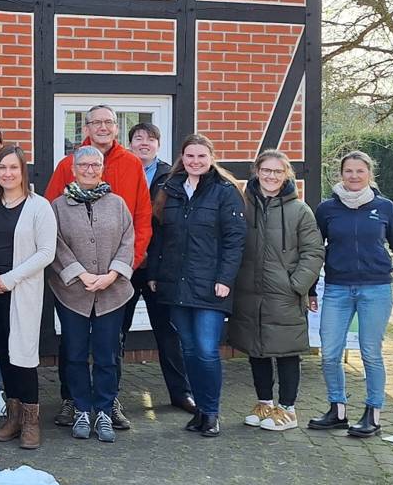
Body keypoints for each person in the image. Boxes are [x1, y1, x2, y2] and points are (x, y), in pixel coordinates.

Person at [308, 150, 393, 438]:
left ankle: (373, 414)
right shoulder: (326, 209)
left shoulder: (384, 207)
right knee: (329, 354)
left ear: (369, 175)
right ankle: (337, 410)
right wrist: (311, 289)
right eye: (348, 171)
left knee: (370, 352)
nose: (353, 176)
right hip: (337, 289)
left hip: (375, 289)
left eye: (359, 171)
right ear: (341, 175)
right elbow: (314, 252)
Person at [44, 105, 151, 429]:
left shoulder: (132, 164)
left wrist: (122, 270)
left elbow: (141, 221)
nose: (103, 127)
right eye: (96, 122)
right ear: (86, 127)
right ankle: (73, 401)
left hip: (117, 280)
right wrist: (78, 274)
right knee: (73, 348)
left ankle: (108, 403)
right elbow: (51, 226)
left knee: (111, 346)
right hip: (74, 285)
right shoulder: (65, 165)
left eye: (109, 122)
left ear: (116, 127)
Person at [154, 134, 246, 438]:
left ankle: (211, 412)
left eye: (201, 157)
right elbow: (159, 236)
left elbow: (235, 240)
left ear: (211, 158)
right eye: (190, 156)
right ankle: (201, 412)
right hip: (175, 283)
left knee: (207, 350)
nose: (195, 162)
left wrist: (225, 278)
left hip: (210, 286)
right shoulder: (169, 189)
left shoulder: (225, 191)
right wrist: (155, 273)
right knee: (189, 349)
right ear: (183, 157)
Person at [227, 149, 323, 432]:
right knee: (256, 349)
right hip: (249, 292)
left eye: (277, 171)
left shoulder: (299, 210)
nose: (271, 176)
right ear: (257, 172)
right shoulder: (242, 204)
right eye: (266, 170)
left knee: (286, 351)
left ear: (286, 175)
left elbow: (314, 251)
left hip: (284, 293)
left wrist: (296, 284)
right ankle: (264, 403)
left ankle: (288, 409)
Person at [50, 145, 136, 444]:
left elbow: (128, 240)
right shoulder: (58, 207)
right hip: (73, 292)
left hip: (113, 293)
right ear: (73, 169)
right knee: (74, 353)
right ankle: (82, 409)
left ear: (102, 169)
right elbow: (56, 245)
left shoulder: (118, 204)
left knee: (107, 355)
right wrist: (81, 274)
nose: (89, 170)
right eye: (83, 165)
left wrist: (112, 274)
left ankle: (103, 409)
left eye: (95, 165)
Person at [0, 146, 57, 449]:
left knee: (23, 357)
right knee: (5, 355)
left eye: (13, 168)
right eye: (1, 168)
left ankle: (31, 422)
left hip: (20, 291)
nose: (7, 174)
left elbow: (46, 252)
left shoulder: (39, 207)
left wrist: (9, 279)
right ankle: (13, 418)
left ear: (23, 171)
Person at [129, 122, 195, 416]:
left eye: (150, 138)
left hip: (160, 266)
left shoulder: (173, 176)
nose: (144, 143)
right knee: (115, 332)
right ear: (130, 143)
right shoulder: (121, 171)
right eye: (138, 138)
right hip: (126, 264)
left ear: (158, 144)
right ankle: (110, 397)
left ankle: (181, 393)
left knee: (169, 334)